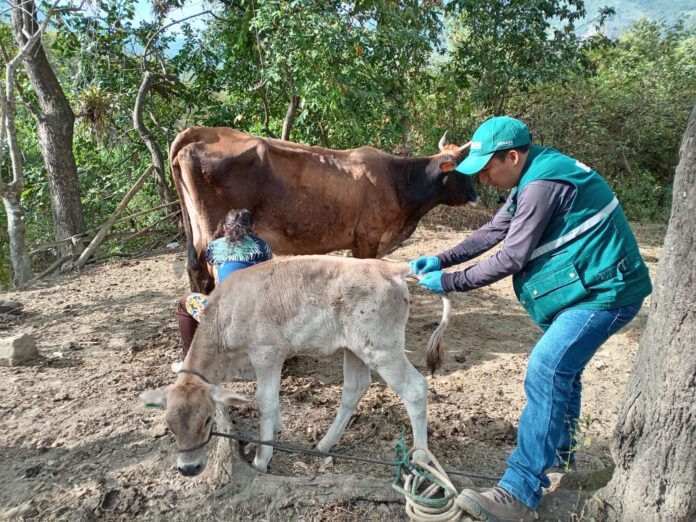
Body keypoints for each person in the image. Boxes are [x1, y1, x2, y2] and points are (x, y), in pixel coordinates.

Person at [410, 116, 652, 521]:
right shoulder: (533, 173)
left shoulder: (541, 185)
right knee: (563, 371)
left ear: (512, 155)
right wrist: (442, 257)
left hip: (606, 293)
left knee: (546, 368)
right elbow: (493, 231)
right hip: (588, 287)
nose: (484, 179)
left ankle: (520, 493)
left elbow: (511, 257)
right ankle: (559, 456)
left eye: (487, 169)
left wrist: (450, 282)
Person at [175, 209, 272, 368]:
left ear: (225, 229)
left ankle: (188, 362)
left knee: (185, 301)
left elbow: (214, 276)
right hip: (257, 320)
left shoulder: (214, 247)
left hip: (227, 321)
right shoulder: (263, 247)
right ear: (253, 227)